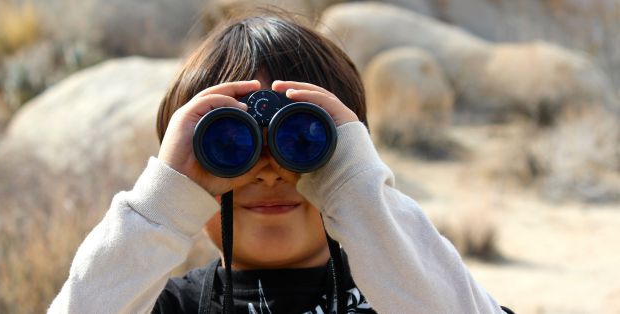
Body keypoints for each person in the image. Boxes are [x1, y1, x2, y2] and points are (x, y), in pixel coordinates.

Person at [48, 12, 512, 314]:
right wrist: (162, 205)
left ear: (350, 149)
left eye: (305, 138)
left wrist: (360, 193)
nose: (269, 171)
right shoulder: (166, 306)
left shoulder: (407, 288)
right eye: (230, 144)